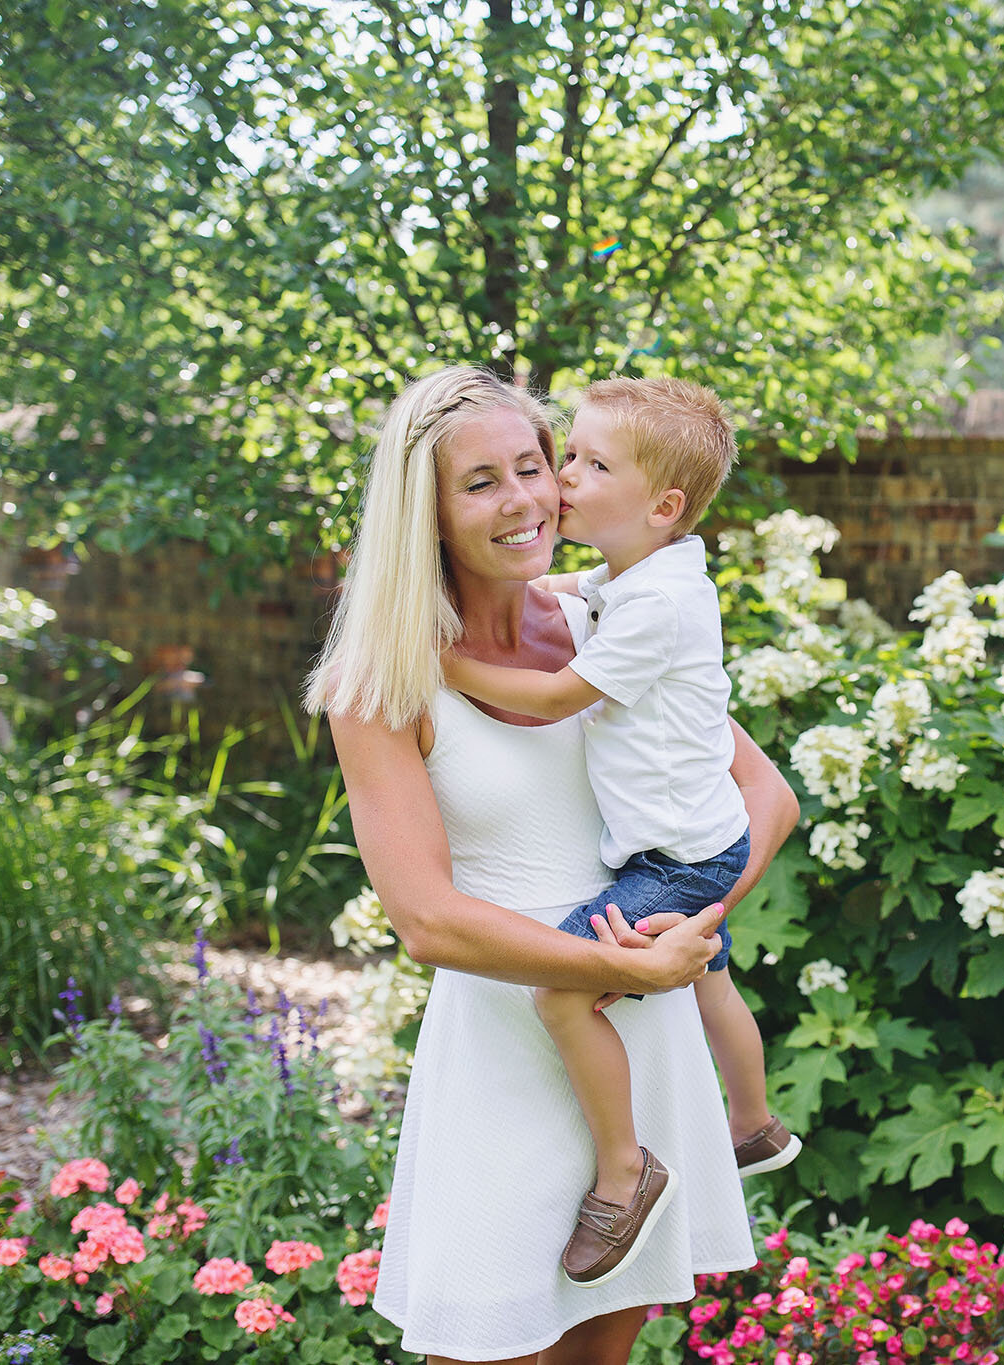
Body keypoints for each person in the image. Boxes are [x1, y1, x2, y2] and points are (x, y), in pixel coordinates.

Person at [304, 366, 798, 1365]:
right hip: (504, 1053)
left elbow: (765, 800)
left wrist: (681, 933)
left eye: (533, 465)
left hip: (635, 1030)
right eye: (480, 482)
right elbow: (427, 921)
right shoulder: (381, 680)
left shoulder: (604, 625)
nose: (526, 497)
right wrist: (620, 968)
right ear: (427, 512)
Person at [441, 378, 800, 1288]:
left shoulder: (654, 609)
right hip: (696, 838)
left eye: (584, 464)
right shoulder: (649, 573)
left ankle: (624, 1170)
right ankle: (755, 1120)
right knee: (712, 976)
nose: (560, 481)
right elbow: (570, 582)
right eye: (566, 456)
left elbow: (563, 695)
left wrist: (451, 663)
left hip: (680, 855)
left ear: (662, 504)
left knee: (563, 994)